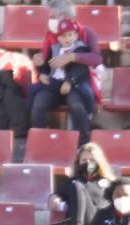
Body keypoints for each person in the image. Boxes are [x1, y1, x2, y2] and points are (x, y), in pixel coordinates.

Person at [29, 0, 102, 145]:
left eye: (53, 17)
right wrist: (40, 67)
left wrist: (72, 57)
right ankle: (39, 143)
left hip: (77, 83)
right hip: (54, 83)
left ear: (65, 17)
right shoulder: (51, 35)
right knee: (38, 102)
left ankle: (83, 144)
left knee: (76, 103)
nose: (50, 21)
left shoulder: (86, 33)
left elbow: (97, 58)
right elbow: (46, 60)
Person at [28, 142, 114, 225]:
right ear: (78, 163)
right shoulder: (72, 181)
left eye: (92, 160)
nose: (87, 163)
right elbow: (59, 194)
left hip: (95, 222)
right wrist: (54, 197)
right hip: (73, 222)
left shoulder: (108, 183)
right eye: (84, 160)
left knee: (77, 186)